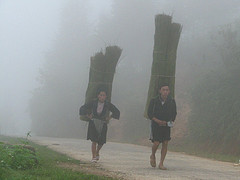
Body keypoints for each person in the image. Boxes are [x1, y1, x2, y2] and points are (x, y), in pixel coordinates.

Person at [79, 89, 120, 162]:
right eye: (100, 95)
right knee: (94, 140)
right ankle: (93, 156)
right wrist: (88, 115)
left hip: (103, 123)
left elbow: (116, 111)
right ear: (98, 96)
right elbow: (83, 107)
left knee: (101, 141)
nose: (102, 97)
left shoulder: (107, 104)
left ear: (106, 96)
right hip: (93, 122)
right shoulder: (93, 103)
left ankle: (97, 151)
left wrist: (109, 117)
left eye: (103, 95)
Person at [147, 83, 177, 170]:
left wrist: (169, 121)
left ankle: (161, 163)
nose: (165, 92)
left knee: (165, 142)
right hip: (156, 124)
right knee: (156, 142)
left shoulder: (171, 101)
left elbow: (174, 113)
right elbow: (149, 113)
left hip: (166, 125)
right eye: (163, 90)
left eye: (167, 90)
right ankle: (153, 155)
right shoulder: (154, 100)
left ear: (169, 91)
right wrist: (157, 121)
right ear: (160, 91)